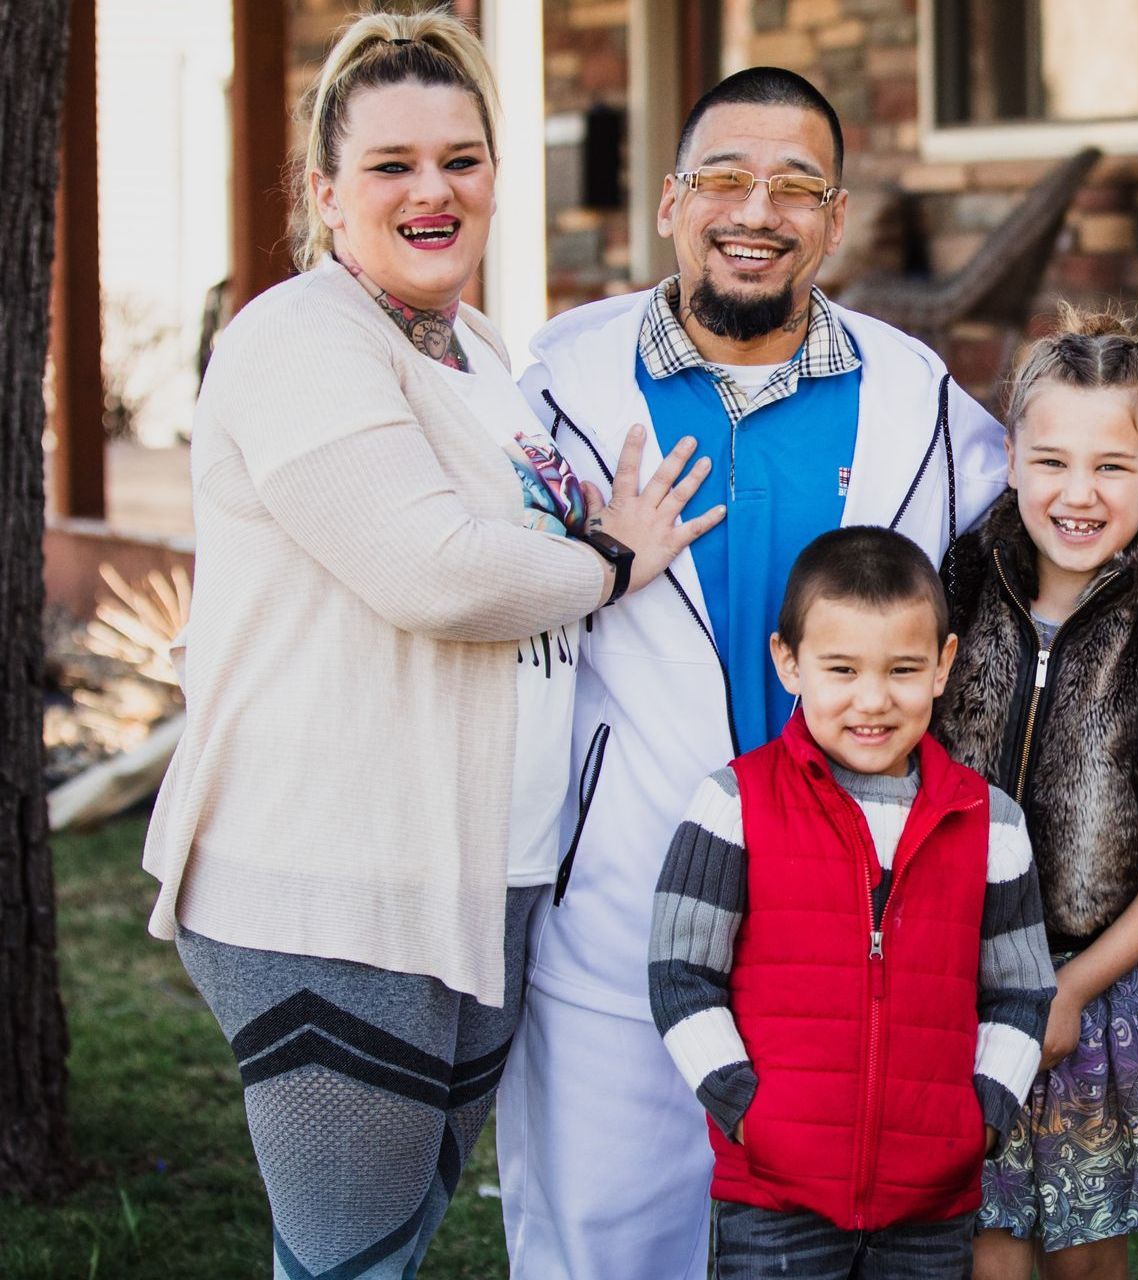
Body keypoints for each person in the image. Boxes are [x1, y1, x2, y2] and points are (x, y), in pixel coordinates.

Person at [141, 13, 710, 1278]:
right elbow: (436, 572)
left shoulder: (481, 351)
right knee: (346, 1259)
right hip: (339, 881)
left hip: (472, 881)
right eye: (392, 162)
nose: (432, 190)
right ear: (324, 191)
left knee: (388, 1242)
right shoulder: (297, 338)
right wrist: (615, 559)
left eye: (461, 157)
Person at [497, 67, 1008, 1277]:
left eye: (796, 185)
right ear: (672, 201)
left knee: (824, 1243)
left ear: (834, 219)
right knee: (603, 1238)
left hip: (845, 923)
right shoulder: (561, 392)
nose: (756, 209)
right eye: (724, 177)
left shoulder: (920, 401)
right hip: (620, 888)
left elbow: (1040, 547)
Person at [931, 307, 1138, 1279]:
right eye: (1051, 460)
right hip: (958, 980)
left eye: (1113, 465)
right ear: (1011, 455)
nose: (1078, 492)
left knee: (1081, 1252)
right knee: (984, 1249)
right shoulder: (956, 581)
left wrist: (1072, 985)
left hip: (1098, 986)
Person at [648, 527, 1055, 1279]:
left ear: (944, 665)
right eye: (842, 669)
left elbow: (1021, 990)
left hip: (931, 1205)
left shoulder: (988, 821)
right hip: (773, 1201)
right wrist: (747, 1112)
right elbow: (680, 976)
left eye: (903, 669)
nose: (873, 700)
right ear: (789, 663)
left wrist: (984, 1119)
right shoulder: (734, 803)